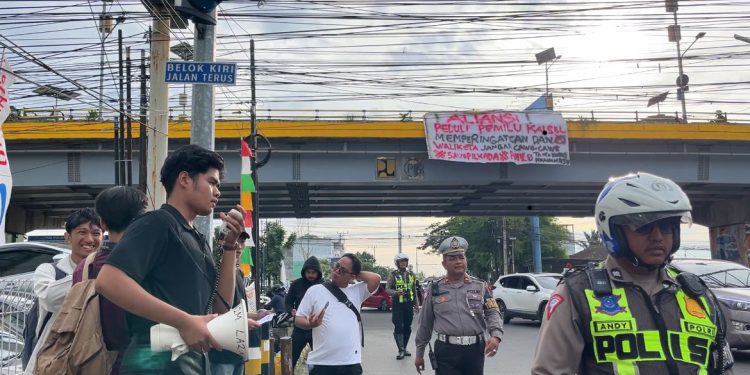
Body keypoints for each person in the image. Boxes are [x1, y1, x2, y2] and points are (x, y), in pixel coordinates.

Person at [531, 172, 735, 375]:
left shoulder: (696, 293)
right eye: (643, 226)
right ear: (614, 231)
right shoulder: (579, 292)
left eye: (666, 226)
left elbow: (724, 367)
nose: (657, 237)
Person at [96, 144, 256, 375]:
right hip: (153, 363)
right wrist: (184, 322)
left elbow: (220, 308)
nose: (218, 192)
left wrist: (230, 247)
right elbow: (109, 281)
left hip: (189, 364)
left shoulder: (198, 239)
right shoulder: (157, 223)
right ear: (184, 179)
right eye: (211, 182)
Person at [70, 186, 147, 375]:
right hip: (141, 364)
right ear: (141, 220)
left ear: (103, 224)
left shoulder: (86, 266)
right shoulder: (147, 265)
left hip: (93, 362)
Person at [24, 208, 103, 375]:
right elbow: (50, 300)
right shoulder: (49, 270)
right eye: (82, 232)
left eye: (96, 233)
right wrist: (86, 272)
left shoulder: (106, 271)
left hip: (94, 355)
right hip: (55, 359)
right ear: (68, 237)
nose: (89, 239)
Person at [414, 236, 503, 375]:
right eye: (452, 258)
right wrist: (419, 353)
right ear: (444, 263)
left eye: (461, 257)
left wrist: (496, 336)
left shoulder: (480, 286)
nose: (458, 262)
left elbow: (493, 312)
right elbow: (425, 322)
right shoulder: (435, 288)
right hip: (446, 351)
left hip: (475, 350)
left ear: (466, 260)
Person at [294, 253, 381, 375]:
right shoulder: (315, 290)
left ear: (352, 276)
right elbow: (298, 319)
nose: (336, 272)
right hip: (321, 363)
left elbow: (375, 279)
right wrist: (310, 323)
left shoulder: (357, 291)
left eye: (342, 271)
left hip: (350, 362)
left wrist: (355, 273)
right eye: (337, 266)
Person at [285, 256, 323, 369]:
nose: (311, 275)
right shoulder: (296, 284)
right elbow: (288, 301)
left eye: (313, 272)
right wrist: (290, 310)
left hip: (316, 328)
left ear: (318, 273)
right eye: (308, 272)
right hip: (300, 327)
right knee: (291, 356)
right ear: (304, 272)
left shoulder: (323, 286)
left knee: (320, 359)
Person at [386, 253, 421, 360]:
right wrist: (396, 292)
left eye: (405, 261)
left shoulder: (411, 274)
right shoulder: (393, 274)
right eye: (401, 261)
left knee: (407, 327)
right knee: (399, 326)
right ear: (397, 263)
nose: (404, 263)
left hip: (408, 304)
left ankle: (405, 348)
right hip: (398, 305)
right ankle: (400, 350)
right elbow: (387, 289)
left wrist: (416, 304)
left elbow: (414, 290)